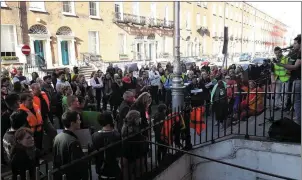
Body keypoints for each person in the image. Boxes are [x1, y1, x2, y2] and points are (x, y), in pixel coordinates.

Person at [52, 111, 88, 180]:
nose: (80, 122)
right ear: (72, 123)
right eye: (78, 119)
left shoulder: (57, 137)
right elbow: (77, 164)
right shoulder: (73, 141)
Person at [275, 35, 301, 123]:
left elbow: (295, 66)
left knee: (297, 102)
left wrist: (281, 65)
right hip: (295, 79)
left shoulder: (300, 54)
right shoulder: (297, 53)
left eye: (295, 43)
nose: (293, 45)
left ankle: (298, 120)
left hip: (298, 80)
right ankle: (298, 118)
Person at [92, 111, 121, 180]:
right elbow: (119, 153)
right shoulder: (116, 135)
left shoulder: (95, 135)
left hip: (100, 168)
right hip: (114, 168)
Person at [121, 110, 148, 180]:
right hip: (135, 152)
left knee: (127, 171)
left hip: (126, 152)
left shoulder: (125, 127)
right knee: (139, 169)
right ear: (135, 119)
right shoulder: (135, 129)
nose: (140, 119)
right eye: (139, 118)